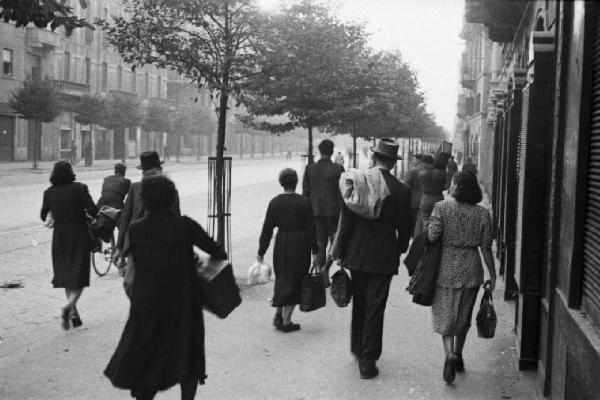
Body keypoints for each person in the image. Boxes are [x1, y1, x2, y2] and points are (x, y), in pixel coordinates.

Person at [104, 175, 227, 400]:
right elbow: (218, 251)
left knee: (148, 353)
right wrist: (194, 261)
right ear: (172, 199)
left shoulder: (136, 230)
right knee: (187, 354)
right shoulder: (185, 225)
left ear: (145, 201)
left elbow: (142, 262)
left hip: (147, 302)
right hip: (183, 301)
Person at [332, 138, 412, 379]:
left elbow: (346, 221)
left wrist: (340, 251)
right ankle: (368, 360)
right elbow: (405, 228)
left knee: (360, 303)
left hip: (357, 253)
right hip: (383, 256)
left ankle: (357, 348)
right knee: (376, 307)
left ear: (373, 158)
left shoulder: (359, 181)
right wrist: (398, 248)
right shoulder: (401, 190)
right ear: (393, 163)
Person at [427, 171, 496, 384]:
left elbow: (432, 235)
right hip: (471, 268)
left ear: (457, 187)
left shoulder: (441, 207)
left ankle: (448, 353)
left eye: (454, 182)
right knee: (464, 315)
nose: (451, 185)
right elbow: (486, 248)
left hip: (446, 266)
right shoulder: (483, 214)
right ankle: (458, 355)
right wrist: (492, 275)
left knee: (446, 313)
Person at [258, 168, 318, 332]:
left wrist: (261, 251)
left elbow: (267, 229)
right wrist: (315, 251)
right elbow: (312, 229)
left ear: (281, 183)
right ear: (296, 182)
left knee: (282, 277)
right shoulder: (304, 202)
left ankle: (278, 313)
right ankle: (286, 321)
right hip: (300, 243)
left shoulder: (275, 202)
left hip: (282, 242)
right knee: (296, 279)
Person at [40, 161, 98, 330]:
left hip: (60, 237)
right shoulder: (80, 188)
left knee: (66, 274)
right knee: (79, 274)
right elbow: (93, 210)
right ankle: (70, 305)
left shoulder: (49, 192)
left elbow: (44, 215)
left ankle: (73, 312)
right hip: (79, 235)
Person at [114, 151, 180, 272]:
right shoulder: (136, 188)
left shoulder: (168, 191)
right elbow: (125, 219)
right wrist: (119, 247)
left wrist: (119, 247)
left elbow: (125, 219)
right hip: (142, 245)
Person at [302, 139, 344, 286]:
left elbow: (305, 194)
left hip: (315, 212)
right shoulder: (338, 169)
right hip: (333, 212)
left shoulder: (309, 169)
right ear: (332, 152)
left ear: (319, 151)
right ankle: (326, 267)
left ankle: (321, 272)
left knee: (320, 242)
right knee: (334, 242)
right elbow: (343, 193)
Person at [418, 155, 446, 229]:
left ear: (425, 163)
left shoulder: (422, 173)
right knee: (438, 222)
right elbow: (445, 186)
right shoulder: (440, 173)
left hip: (426, 199)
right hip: (438, 199)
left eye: (423, 163)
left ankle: (426, 237)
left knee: (426, 222)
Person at [404, 154, 424, 237]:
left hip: (412, 201)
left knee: (412, 223)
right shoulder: (424, 170)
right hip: (422, 200)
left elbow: (406, 186)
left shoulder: (412, 171)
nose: (413, 160)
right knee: (419, 224)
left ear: (418, 160)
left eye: (414, 159)